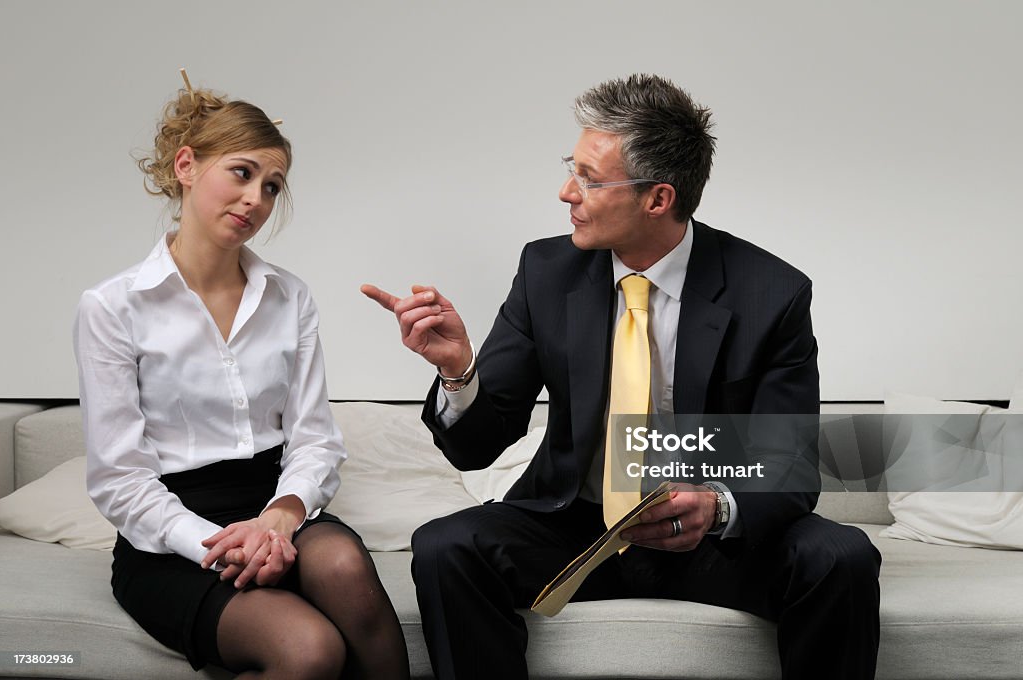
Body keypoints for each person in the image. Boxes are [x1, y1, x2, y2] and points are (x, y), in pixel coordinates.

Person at [362, 74, 881, 679]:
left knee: (842, 556)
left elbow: (788, 464)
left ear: (657, 199)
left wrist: (715, 507)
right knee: (446, 544)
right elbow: (478, 446)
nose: (566, 192)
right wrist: (458, 370)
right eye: (570, 168)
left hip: (708, 534)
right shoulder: (546, 271)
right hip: (575, 526)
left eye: (589, 178)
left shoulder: (771, 293)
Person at [74, 76, 409, 679]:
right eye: (242, 173)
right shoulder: (112, 307)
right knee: (309, 650)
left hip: (275, 506)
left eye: (272, 186)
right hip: (171, 530)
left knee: (344, 568)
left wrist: (280, 515)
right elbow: (119, 479)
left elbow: (314, 439)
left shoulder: (289, 297)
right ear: (186, 166)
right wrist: (221, 542)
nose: (256, 197)